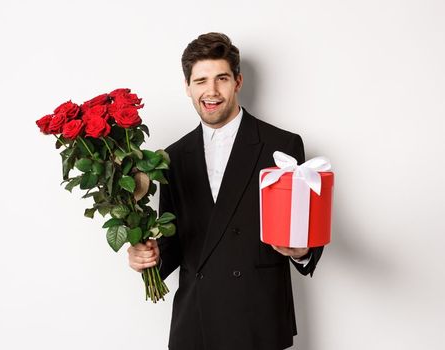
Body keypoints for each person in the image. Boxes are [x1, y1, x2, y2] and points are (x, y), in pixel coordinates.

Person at [127, 32, 324, 349]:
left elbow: (303, 231)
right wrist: (147, 257)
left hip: (257, 320)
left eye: (221, 78)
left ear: (238, 81)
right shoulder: (172, 156)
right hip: (196, 322)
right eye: (200, 80)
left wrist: (301, 251)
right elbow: (173, 243)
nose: (212, 91)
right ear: (187, 87)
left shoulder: (281, 146)